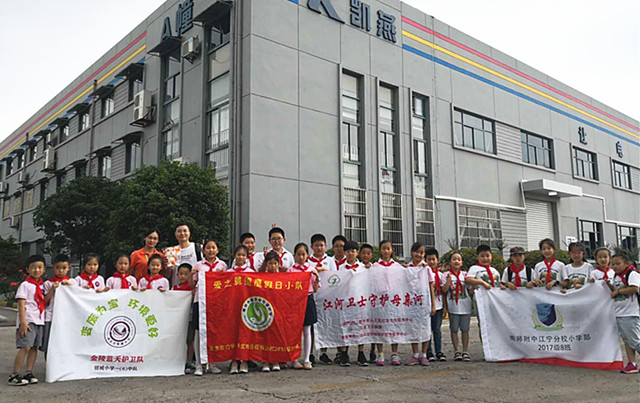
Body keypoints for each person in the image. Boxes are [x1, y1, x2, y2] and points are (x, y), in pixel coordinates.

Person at [9, 255, 47, 386]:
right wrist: (23, 322)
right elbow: (21, 304)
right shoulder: (25, 285)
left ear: (44, 269)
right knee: (25, 347)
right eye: (33, 267)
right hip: (28, 320)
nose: (37, 270)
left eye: (40, 267)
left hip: (39, 320)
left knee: (34, 347)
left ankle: (28, 372)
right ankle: (14, 375)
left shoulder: (42, 286)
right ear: (28, 269)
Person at [191, 240, 226, 376]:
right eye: (208, 248)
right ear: (203, 251)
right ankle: (199, 364)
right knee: (198, 332)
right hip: (200, 301)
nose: (211, 250)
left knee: (214, 331)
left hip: (216, 303)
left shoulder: (222, 265)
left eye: (213, 248)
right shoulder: (198, 265)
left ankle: (212, 363)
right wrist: (192, 274)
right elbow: (192, 284)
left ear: (217, 250)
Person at [288, 243, 320, 370]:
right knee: (295, 332)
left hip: (308, 299)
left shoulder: (310, 269)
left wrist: (317, 277)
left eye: (303, 254)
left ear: (307, 255)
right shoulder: (291, 270)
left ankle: (307, 359)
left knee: (307, 330)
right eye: (298, 254)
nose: (301, 257)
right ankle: (294, 359)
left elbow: (315, 289)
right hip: (295, 301)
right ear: (294, 255)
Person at [372, 240, 404, 366]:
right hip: (380, 302)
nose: (386, 251)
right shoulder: (374, 267)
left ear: (392, 250)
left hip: (393, 302)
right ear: (380, 250)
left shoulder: (397, 267)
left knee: (394, 326)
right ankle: (380, 354)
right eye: (383, 248)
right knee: (380, 327)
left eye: (388, 248)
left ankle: (394, 353)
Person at [406, 242, 436, 366]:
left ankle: (424, 354)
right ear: (412, 252)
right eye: (416, 252)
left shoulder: (426, 268)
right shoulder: (407, 268)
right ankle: (415, 354)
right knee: (413, 328)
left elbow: (431, 287)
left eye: (421, 252)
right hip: (411, 304)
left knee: (425, 329)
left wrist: (433, 304)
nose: (419, 254)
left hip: (424, 303)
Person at [309, 233, 337, 366]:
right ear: (311, 247)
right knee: (311, 327)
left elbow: (335, 277)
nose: (319, 248)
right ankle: (310, 353)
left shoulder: (330, 261)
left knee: (325, 325)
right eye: (316, 245)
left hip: (326, 297)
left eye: (321, 245)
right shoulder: (308, 261)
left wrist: (323, 270)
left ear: (325, 246)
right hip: (312, 297)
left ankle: (323, 353)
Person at [40, 254, 75, 359]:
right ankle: (48, 366)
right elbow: (44, 301)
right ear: (53, 268)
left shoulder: (72, 282)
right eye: (57, 268)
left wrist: (70, 287)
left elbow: (77, 299)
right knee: (49, 345)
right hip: (50, 317)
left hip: (66, 318)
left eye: (64, 268)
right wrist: (52, 289)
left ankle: (62, 366)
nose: (60, 271)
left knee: (64, 344)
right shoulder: (47, 284)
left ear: (69, 268)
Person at [610, 252, 640, 374]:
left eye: (618, 264)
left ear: (626, 263)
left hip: (630, 313)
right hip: (620, 313)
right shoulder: (616, 276)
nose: (615, 266)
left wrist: (618, 292)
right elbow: (615, 291)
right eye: (613, 264)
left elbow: (634, 288)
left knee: (635, 341)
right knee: (627, 341)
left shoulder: (631, 274)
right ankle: (632, 363)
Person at [342, 240, 368, 366]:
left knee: (360, 328)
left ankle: (361, 353)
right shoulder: (340, 268)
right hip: (346, 303)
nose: (350, 253)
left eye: (353, 251)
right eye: (348, 251)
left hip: (359, 303)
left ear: (357, 253)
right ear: (344, 253)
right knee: (346, 328)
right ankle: (344, 354)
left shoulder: (364, 268)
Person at [443, 251, 472, 362]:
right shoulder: (446, 275)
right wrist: (448, 281)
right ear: (450, 262)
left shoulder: (465, 275)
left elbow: (470, 290)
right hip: (453, 307)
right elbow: (444, 290)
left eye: (459, 259)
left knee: (465, 329)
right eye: (454, 259)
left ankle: (465, 351)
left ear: (462, 262)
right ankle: (457, 351)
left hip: (465, 306)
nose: (456, 261)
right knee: (454, 329)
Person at [261, 251, 282, 372]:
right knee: (265, 336)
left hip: (278, 310)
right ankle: (265, 361)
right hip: (265, 310)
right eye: (270, 263)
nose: (273, 266)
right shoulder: (261, 277)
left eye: (275, 263)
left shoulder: (283, 277)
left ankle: (275, 360)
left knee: (276, 336)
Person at [425, 247, 447, 362]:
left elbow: (444, 291)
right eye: (429, 259)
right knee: (427, 330)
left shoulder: (441, 275)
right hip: (426, 306)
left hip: (438, 306)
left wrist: (445, 308)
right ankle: (428, 352)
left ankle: (439, 351)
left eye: (433, 259)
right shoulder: (423, 274)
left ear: (437, 260)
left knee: (437, 330)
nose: (431, 262)